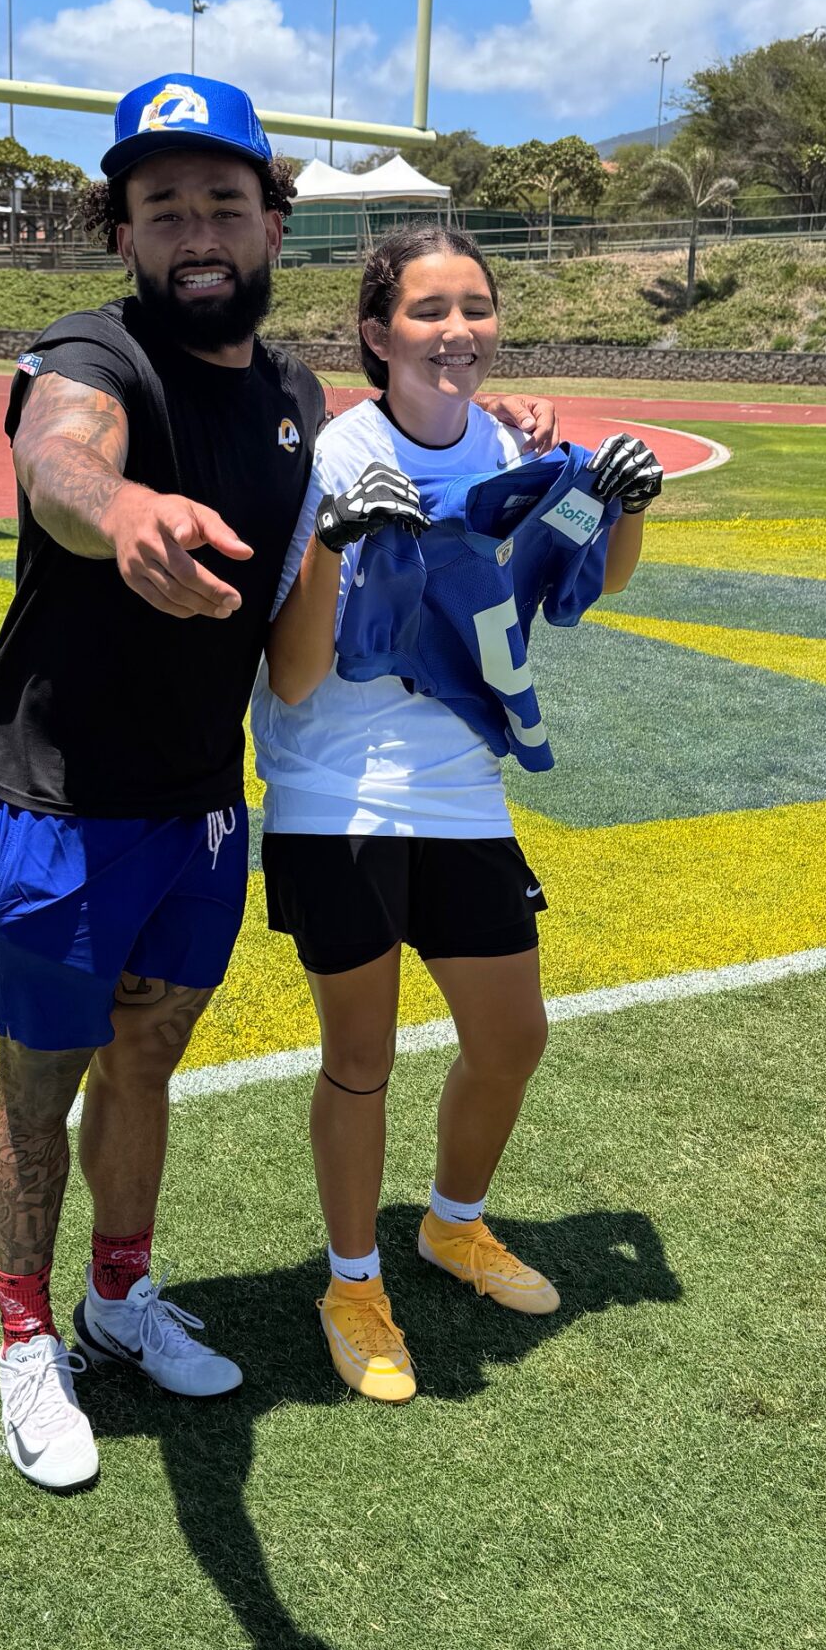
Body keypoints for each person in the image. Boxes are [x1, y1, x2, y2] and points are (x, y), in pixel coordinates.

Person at [0, 77, 560, 1490]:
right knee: (39, 1079)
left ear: (273, 221)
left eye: (223, 201)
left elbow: (374, 535)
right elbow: (60, 451)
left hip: (205, 800)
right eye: (162, 205)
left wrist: (521, 447)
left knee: (149, 1054)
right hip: (59, 801)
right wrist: (121, 512)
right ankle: (24, 1339)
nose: (196, 229)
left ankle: (119, 1298)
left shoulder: (296, 395)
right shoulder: (92, 353)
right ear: (123, 231)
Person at [252, 223, 666, 1402]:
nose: (457, 331)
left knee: (511, 1036)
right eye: (428, 311)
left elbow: (588, 578)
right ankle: (350, 1283)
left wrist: (623, 505)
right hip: (336, 796)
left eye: (474, 308)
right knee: (362, 1058)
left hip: (462, 792)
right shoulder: (328, 456)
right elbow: (286, 675)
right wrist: (336, 539)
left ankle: (452, 1224)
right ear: (377, 335)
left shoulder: (508, 446)